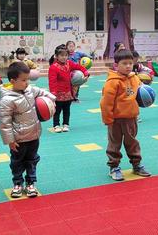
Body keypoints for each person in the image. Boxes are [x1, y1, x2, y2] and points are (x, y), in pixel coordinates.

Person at [0, 61, 56, 198]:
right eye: (23, 80)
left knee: (32, 160)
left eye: (28, 79)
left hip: (34, 136)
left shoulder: (30, 90)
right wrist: (10, 141)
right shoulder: (7, 100)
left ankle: (31, 183)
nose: (27, 82)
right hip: (18, 139)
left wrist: (52, 100)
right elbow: (4, 123)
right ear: (13, 81)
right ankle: (17, 183)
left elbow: (42, 91)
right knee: (17, 162)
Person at [100, 49, 151, 181]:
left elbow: (140, 92)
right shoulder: (112, 82)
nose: (128, 66)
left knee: (132, 142)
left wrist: (147, 88)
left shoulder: (134, 78)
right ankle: (114, 167)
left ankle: (137, 165)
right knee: (114, 144)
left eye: (130, 63)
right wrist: (108, 119)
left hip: (131, 118)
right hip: (115, 120)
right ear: (116, 65)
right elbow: (106, 102)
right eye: (124, 63)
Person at [48, 45, 89, 132]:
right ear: (56, 56)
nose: (64, 57)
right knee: (57, 111)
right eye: (62, 55)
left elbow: (78, 67)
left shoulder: (69, 63)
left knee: (67, 110)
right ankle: (56, 125)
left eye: (66, 55)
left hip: (68, 93)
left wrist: (85, 72)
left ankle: (66, 124)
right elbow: (52, 82)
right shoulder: (53, 67)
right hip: (58, 94)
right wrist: (53, 94)